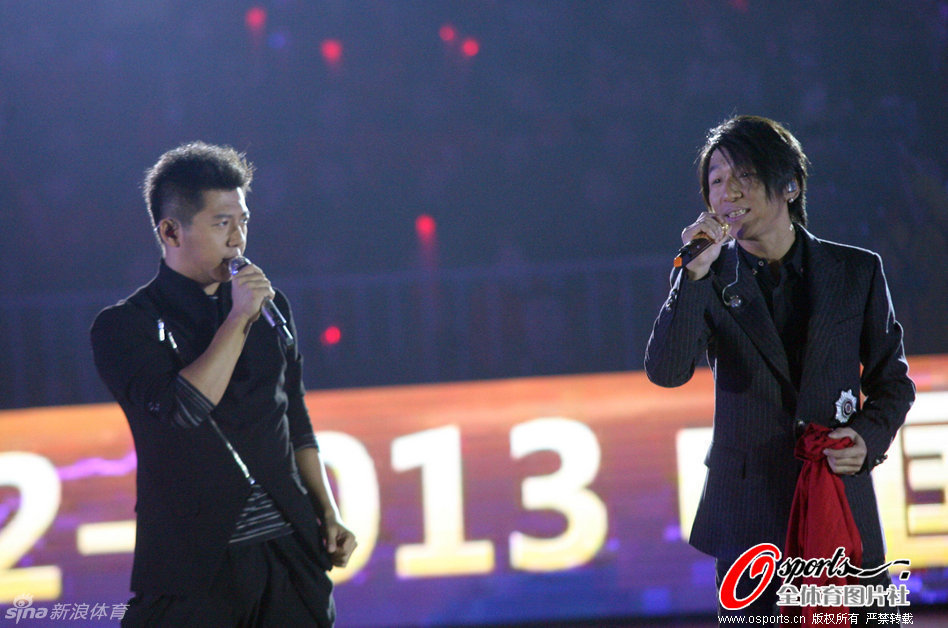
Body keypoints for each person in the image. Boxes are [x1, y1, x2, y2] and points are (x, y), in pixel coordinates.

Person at [644, 116, 914, 624]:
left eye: (744, 175)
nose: (727, 192)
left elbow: (892, 382)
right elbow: (667, 370)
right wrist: (693, 275)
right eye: (716, 180)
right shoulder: (708, 278)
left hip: (837, 499)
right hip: (750, 513)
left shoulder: (855, 271)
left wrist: (867, 437)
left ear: (789, 185)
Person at [91, 142, 356, 626]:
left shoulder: (270, 310)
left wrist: (328, 511)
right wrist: (237, 319)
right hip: (193, 569)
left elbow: (294, 420)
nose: (238, 240)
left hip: (289, 556)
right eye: (221, 223)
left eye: (243, 221)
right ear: (171, 231)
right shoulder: (125, 326)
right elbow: (184, 408)